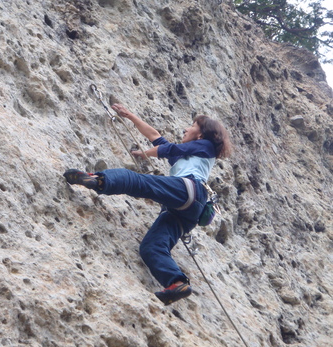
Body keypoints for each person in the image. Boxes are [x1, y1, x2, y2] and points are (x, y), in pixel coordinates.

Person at [63, 103, 232, 305]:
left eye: (192, 126)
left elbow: (167, 148)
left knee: (138, 181)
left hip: (188, 190)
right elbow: (155, 136)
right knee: (152, 246)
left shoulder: (206, 146)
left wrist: (145, 153)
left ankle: (98, 180)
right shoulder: (191, 155)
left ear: (201, 134)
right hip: (187, 211)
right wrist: (130, 116)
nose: (186, 129)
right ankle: (176, 282)